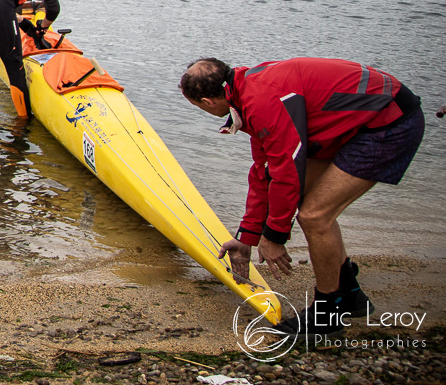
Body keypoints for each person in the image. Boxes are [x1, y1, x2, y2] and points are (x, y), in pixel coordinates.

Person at [180, 57, 423, 335]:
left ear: (208, 102)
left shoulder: (262, 102)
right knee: (311, 202)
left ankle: (328, 311)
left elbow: (286, 171)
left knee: (315, 215)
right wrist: (247, 237)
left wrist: (274, 237)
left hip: (389, 123)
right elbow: (264, 172)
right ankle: (350, 292)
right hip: (357, 121)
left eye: (197, 106)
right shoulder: (246, 90)